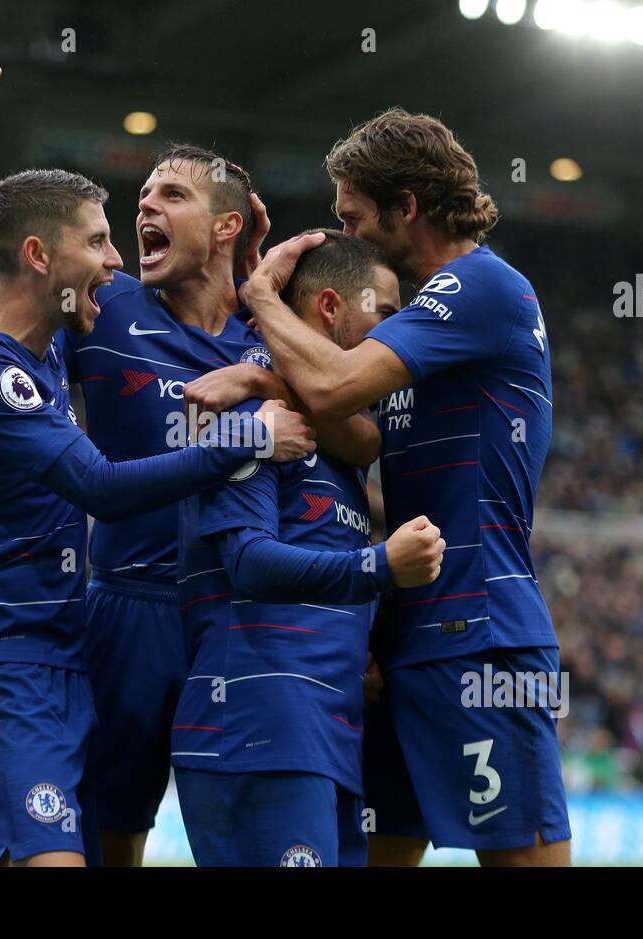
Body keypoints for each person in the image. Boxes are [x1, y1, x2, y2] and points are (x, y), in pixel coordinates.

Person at [0, 39, 376, 865]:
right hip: (123, 613)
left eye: (171, 193)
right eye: (140, 197)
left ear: (228, 225)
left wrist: (269, 368)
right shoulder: (104, 308)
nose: (142, 212)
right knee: (105, 842)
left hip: (238, 626)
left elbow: (355, 433)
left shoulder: (267, 334)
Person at [239, 108, 569, 866]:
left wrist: (259, 298)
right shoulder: (417, 320)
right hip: (402, 634)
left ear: (408, 205)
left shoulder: (484, 287)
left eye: (354, 216)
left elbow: (330, 391)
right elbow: (359, 438)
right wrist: (255, 381)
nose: (346, 233)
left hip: (478, 633)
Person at [172, 230, 446, 866]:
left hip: (325, 733)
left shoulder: (335, 445)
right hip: (259, 726)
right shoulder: (253, 428)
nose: (396, 333)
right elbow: (248, 563)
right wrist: (379, 567)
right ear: (330, 307)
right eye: (385, 312)